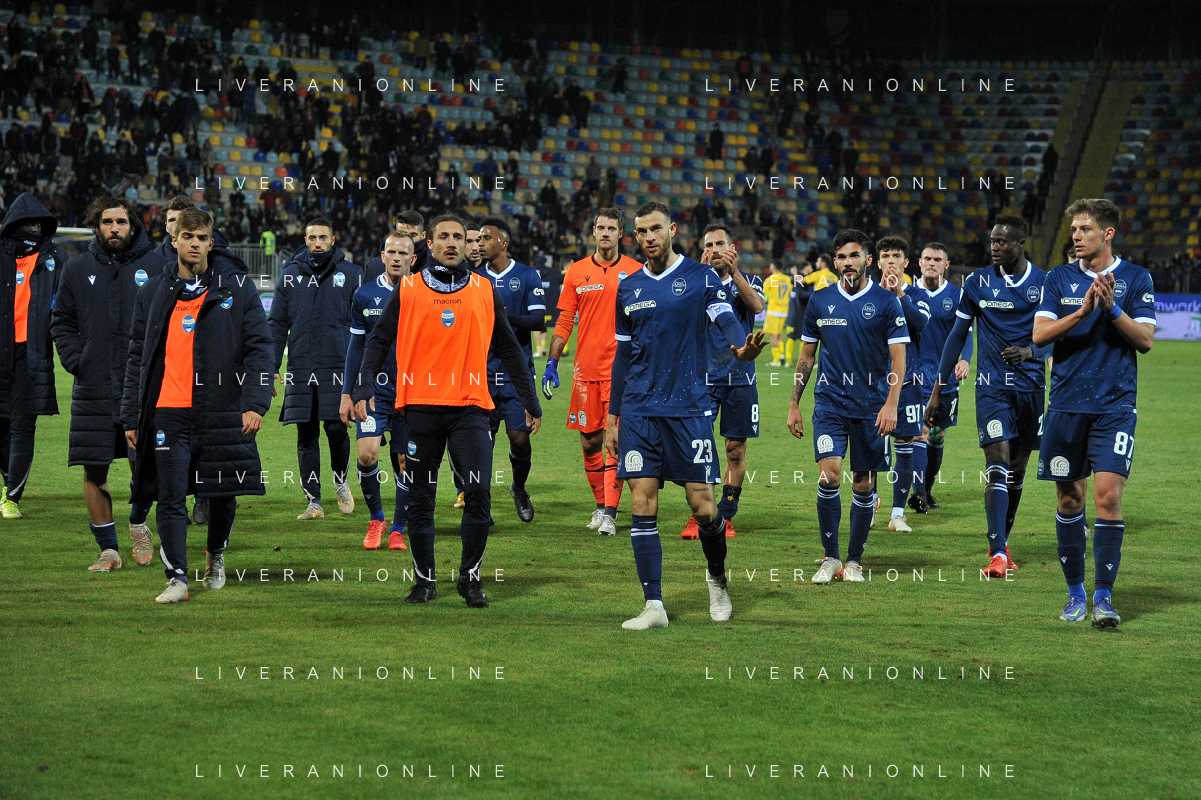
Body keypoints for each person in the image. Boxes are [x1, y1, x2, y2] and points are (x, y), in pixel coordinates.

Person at [352, 215, 542, 608]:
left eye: (458, 236)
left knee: (478, 492)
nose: (452, 242)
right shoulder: (408, 289)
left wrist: (530, 398)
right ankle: (424, 582)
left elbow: (509, 348)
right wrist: (364, 383)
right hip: (420, 411)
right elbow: (379, 339)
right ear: (430, 243)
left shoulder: (484, 289)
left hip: (470, 410)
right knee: (421, 499)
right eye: (444, 236)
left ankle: (469, 579)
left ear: (468, 244)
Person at [605, 202, 765, 630]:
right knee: (642, 502)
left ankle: (716, 579)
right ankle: (653, 605)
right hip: (639, 410)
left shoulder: (701, 277)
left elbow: (726, 318)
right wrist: (613, 417)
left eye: (656, 228)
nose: (649, 237)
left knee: (704, 507)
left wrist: (741, 348)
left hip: (688, 409)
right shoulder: (628, 287)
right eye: (641, 231)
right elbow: (623, 357)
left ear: (672, 229)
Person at [122, 207, 273, 603]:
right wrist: (132, 416)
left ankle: (215, 554)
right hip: (168, 412)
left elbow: (260, 348)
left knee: (222, 492)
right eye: (186, 236)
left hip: (222, 408)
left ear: (210, 242)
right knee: (170, 494)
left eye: (201, 237)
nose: (194, 243)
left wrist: (255, 402)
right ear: (173, 240)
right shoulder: (153, 291)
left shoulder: (236, 288)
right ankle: (176, 578)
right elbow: (138, 357)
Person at [1032, 199, 1155, 627]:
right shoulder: (1058, 278)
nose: (1077, 236)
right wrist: (1082, 312)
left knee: (1108, 497)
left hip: (1114, 407)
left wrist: (1112, 309)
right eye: (1074, 230)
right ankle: (1075, 594)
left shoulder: (1136, 278)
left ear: (1107, 233)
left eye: (1085, 229)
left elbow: (1145, 340)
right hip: (1066, 405)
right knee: (1070, 499)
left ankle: (1104, 597)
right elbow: (1039, 335)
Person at [925, 215, 1046, 577]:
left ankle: (1003, 543)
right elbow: (956, 338)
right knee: (996, 465)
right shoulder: (977, 282)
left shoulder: (1044, 283)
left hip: (1031, 388)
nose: (994, 247)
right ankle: (996, 553)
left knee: (1016, 471)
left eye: (1002, 242)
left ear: (1020, 243)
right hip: (992, 388)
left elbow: (1059, 334)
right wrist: (937, 390)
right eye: (992, 241)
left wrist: (1031, 351)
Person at [787, 229, 909, 585]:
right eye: (841, 257)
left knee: (863, 484)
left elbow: (899, 359)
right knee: (830, 473)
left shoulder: (886, 302)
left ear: (868, 259)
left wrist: (891, 405)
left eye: (854, 256)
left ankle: (854, 561)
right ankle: (831, 558)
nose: (847, 263)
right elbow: (806, 356)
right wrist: (794, 402)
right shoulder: (820, 300)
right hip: (830, 404)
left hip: (872, 407)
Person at [51, 197, 160, 572]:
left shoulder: (155, 267)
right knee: (94, 471)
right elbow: (61, 320)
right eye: (107, 221)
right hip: (94, 389)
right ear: (96, 226)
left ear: (133, 226)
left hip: (141, 390)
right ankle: (109, 550)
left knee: (145, 469)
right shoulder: (77, 269)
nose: (115, 228)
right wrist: (77, 360)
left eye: (122, 222)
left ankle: (138, 522)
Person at [543, 208, 642, 535]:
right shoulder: (576, 271)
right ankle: (601, 506)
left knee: (615, 441)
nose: (605, 233)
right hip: (585, 372)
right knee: (589, 444)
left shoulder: (636, 271)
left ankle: (610, 514)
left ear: (620, 234)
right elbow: (564, 321)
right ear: (594, 231)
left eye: (611, 228)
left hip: (622, 373)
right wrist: (552, 362)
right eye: (600, 227)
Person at [269, 218, 364, 520]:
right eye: (312, 238)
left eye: (323, 237)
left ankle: (341, 482)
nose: (318, 243)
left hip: (338, 365)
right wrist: (272, 363)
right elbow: (277, 322)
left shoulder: (352, 274)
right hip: (300, 364)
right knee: (306, 433)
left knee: (336, 429)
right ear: (306, 240)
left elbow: (361, 325)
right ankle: (313, 501)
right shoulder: (290, 274)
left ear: (333, 239)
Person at [679, 222, 764, 539]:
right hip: (702, 379)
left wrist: (735, 272)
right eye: (708, 245)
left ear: (731, 249)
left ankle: (725, 516)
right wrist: (700, 278)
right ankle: (700, 516)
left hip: (740, 379)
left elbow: (757, 306)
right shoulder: (693, 281)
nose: (714, 250)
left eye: (719, 244)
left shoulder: (749, 281)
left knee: (735, 451)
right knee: (697, 449)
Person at [340, 232, 414, 551]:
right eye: (391, 252)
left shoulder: (422, 293)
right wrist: (348, 392)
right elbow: (356, 347)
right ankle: (377, 519)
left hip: (412, 393)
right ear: (382, 256)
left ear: (413, 259)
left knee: (406, 462)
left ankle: (398, 528)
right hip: (374, 393)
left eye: (403, 253)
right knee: (367, 454)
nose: (396, 258)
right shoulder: (365, 295)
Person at [472, 216, 545, 522]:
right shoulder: (474, 277)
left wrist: (503, 317)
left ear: (503, 243)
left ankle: (518, 487)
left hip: (516, 375)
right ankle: (481, 504)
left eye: (485, 238)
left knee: (520, 439)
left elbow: (538, 320)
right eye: (478, 239)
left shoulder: (527, 275)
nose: (479, 243)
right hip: (482, 374)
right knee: (480, 445)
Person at [0, 193, 65, 518]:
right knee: (2, 426)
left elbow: (68, 304)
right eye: (28, 223)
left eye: (39, 224)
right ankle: (8, 483)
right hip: (2, 352)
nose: (34, 229)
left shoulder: (54, 258)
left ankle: (12, 495)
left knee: (23, 425)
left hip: (33, 355)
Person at [908, 242, 972, 511]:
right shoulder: (908, 294)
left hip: (945, 379)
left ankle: (927, 489)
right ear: (919, 263)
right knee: (919, 433)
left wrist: (966, 359)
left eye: (937, 259)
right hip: (914, 376)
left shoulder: (957, 295)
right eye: (927, 259)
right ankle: (918, 492)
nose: (931, 263)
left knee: (937, 434)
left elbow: (966, 333)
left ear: (946, 265)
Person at [873, 237, 930, 533]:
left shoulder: (919, 294)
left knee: (905, 445)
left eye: (896, 256)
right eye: (886, 255)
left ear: (906, 262)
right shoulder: (868, 294)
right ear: (877, 262)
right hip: (872, 383)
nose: (891, 261)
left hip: (908, 383)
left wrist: (898, 294)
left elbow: (920, 323)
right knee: (870, 446)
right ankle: (869, 501)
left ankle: (897, 514)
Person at [365, 210, 426, 282]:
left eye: (413, 235)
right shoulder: (375, 266)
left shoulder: (433, 267)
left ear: (423, 235)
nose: (408, 240)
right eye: (402, 234)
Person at [762, 261, 790, 366]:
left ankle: (776, 360)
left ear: (773, 267)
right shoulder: (787, 279)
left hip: (774, 310)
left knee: (773, 336)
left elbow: (763, 292)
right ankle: (781, 355)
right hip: (784, 310)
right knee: (778, 334)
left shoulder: (770, 279)